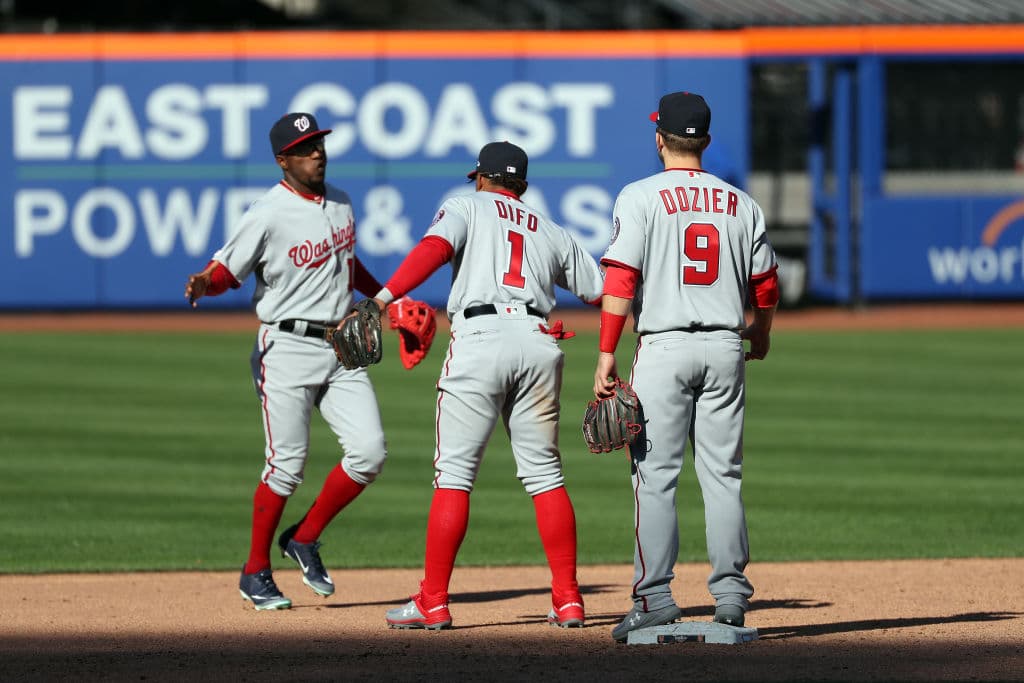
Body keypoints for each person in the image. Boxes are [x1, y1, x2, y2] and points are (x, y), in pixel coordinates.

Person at [369, 141, 604, 630]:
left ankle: (433, 601)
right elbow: (600, 289)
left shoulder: (466, 205)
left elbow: (434, 249)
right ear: (522, 185)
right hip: (538, 340)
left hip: (480, 338)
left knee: (454, 475)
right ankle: (568, 599)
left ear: (480, 178)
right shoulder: (549, 228)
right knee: (545, 475)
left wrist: (383, 297)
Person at [592, 92, 779, 642]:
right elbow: (766, 284)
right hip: (725, 346)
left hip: (664, 347)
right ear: (706, 141)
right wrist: (761, 331)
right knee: (723, 476)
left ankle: (653, 597)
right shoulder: (740, 202)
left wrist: (605, 352)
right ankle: (731, 597)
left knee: (655, 479)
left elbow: (621, 278)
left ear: (660, 139)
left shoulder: (640, 195)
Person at [184, 112, 390, 610]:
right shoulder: (267, 212)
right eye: (304, 148)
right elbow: (227, 270)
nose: (317, 153)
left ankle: (304, 537)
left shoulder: (341, 202)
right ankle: (255, 572)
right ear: (283, 160)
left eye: (318, 143)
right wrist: (205, 283)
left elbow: (348, 265)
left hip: (341, 345)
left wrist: (388, 297)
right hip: (287, 346)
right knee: (286, 466)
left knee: (369, 452)